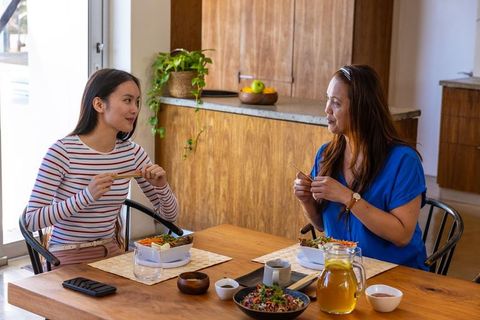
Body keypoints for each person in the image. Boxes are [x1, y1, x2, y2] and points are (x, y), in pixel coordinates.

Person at [25, 68, 179, 266]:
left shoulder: (132, 153)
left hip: (111, 253)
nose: (135, 109)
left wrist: (162, 187)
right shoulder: (62, 152)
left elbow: (171, 217)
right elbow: (32, 220)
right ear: (99, 104)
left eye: (137, 102)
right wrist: (86, 196)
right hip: (67, 256)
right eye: (127, 100)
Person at [293, 65, 427, 270]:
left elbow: (402, 235)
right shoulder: (326, 155)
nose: (327, 109)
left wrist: (348, 197)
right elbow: (321, 225)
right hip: (342, 270)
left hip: (397, 275)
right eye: (327, 99)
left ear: (361, 110)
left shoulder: (404, 161)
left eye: (336, 103)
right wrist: (307, 201)